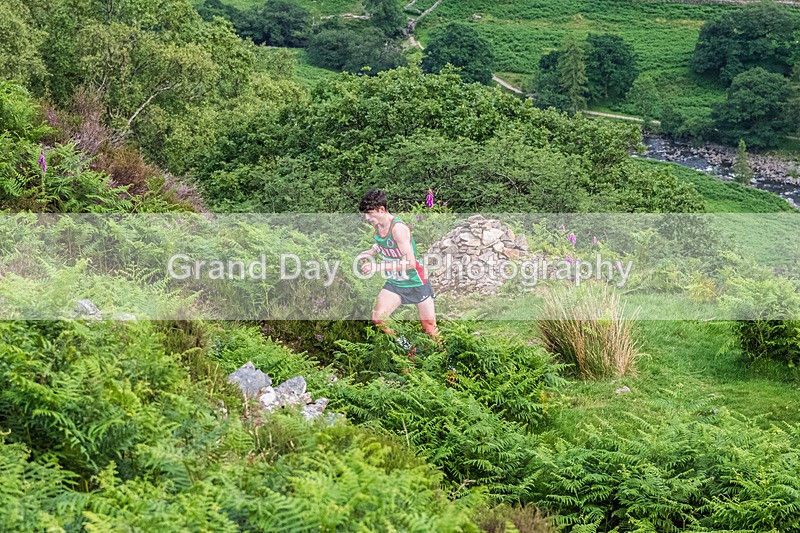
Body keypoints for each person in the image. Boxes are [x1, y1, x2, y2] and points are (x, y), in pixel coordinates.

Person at [356, 190, 439, 340]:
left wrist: (377, 267)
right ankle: (406, 349)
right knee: (378, 318)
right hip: (395, 282)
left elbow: (410, 263)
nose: (367, 218)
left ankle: (447, 360)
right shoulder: (378, 225)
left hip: (415, 281)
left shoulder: (398, 229)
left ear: (381, 209)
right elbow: (382, 243)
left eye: (370, 214)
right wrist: (371, 252)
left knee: (429, 328)